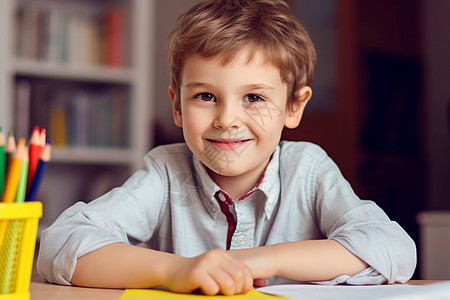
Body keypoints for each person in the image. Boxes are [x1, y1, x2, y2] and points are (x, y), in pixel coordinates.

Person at [37, 0, 416, 295]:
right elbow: (61, 242)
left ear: (294, 106)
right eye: (205, 96)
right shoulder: (165, 171)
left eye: (253, 97)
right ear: (177, 106)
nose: (226, 119)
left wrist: (261, 260)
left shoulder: (309, 170)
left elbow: (393, 249)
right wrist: (176, 270)